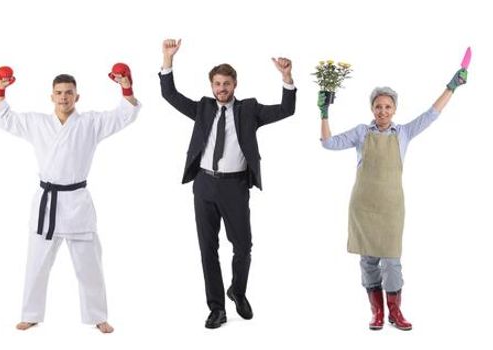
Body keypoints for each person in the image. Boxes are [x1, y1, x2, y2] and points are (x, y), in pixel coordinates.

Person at [0, 63, 140, 334]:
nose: (63, 97)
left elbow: (124, 115)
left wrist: (125, 86)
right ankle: (30, 314)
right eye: (59, 92)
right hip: (47, 202)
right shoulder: (37, 123)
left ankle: (98, 316)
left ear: (76, 96)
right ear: (51, 96)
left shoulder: (90, 123)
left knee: (89, 265)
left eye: (68, 92)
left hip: (77, 202)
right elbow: (5, 118)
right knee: (36, 264)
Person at [157, 39, 298, 329]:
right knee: (207, 248)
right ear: (212, 86)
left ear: (235, 85)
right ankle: (216, 308)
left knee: (243, 246)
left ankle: (238, 291)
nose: (222, 88)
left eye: (227, 84)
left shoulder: (249, 110)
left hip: (235, 187)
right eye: (217, 84)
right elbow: (170, 94)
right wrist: (167, 59)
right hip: (204, 186)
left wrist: (286, 78)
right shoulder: (203, 109)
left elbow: (287, 109)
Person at [319, 65, 467, 332]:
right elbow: (328, 143)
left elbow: (432, 114)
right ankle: (377, 312)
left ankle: (395, 311)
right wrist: (324, 112)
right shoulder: (361, 132)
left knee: (392, 260)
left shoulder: (404, 133)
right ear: (372, 109)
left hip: (391, 208)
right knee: (368, 260)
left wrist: (452, 87)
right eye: (378, 106)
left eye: (388, 107)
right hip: (362, 206)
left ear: (394, 109)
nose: (383, 111)